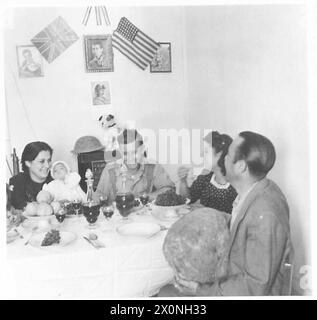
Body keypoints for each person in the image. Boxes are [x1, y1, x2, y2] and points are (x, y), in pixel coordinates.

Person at [158, 131, 293, 296]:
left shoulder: (266, 213)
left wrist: (200, 290)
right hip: (231, 275)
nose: (224, 160)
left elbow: (254, 287)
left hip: (247, 292)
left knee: (166, 294)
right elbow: (241, 228)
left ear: (241, 166)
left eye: (228, 155)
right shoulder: (253, 191)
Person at [93, 129, 175, 203]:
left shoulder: (153, 167)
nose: (130, 158)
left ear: (142, 150)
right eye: (125, 153)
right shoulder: (110, 169)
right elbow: (98, 196)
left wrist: (145, 197)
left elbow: (169, 190)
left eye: (134, 152)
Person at [178, 131, 237, 214]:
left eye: (206, 151)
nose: (202, 155)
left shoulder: (235, 185)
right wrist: (183, 180)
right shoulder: (205, 177)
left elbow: (235, 220)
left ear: (219, 154)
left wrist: (205, 211)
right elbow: (186, 200)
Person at [9, 141, 53, 209]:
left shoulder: (56, 179)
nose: (47, 166)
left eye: (49, 160)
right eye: (42, 161)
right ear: (28, 163)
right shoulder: (17, 182)